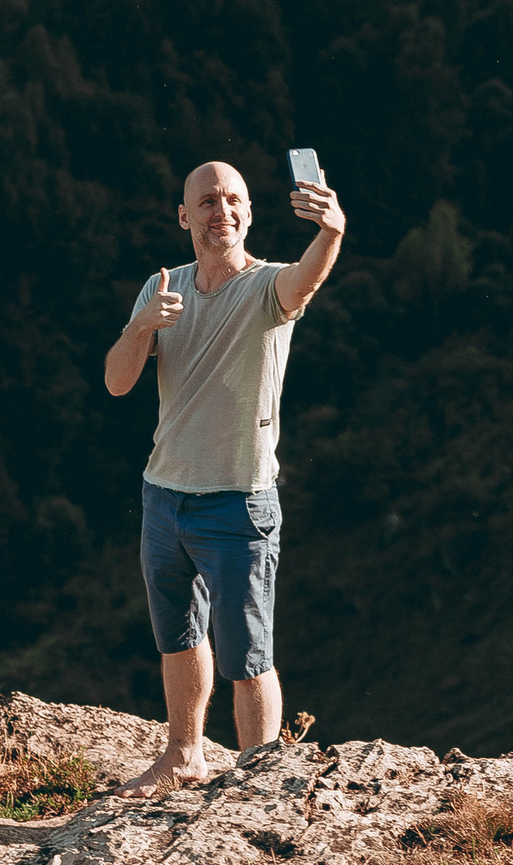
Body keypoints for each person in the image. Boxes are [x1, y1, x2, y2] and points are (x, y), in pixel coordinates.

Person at [103, 159, 346, 795]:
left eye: (233, 199)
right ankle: (184, 754)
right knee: (178, 637)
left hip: (239, 502)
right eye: (207, 202)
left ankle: (258, 786)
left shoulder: (268, 287)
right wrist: (143, 325)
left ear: (250, 211)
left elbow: (306, 280)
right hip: (165, 496)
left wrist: (331, 234)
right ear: (184, 216)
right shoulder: (163, 287)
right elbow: (117, 381)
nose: (222, 212)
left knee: (247, 653)